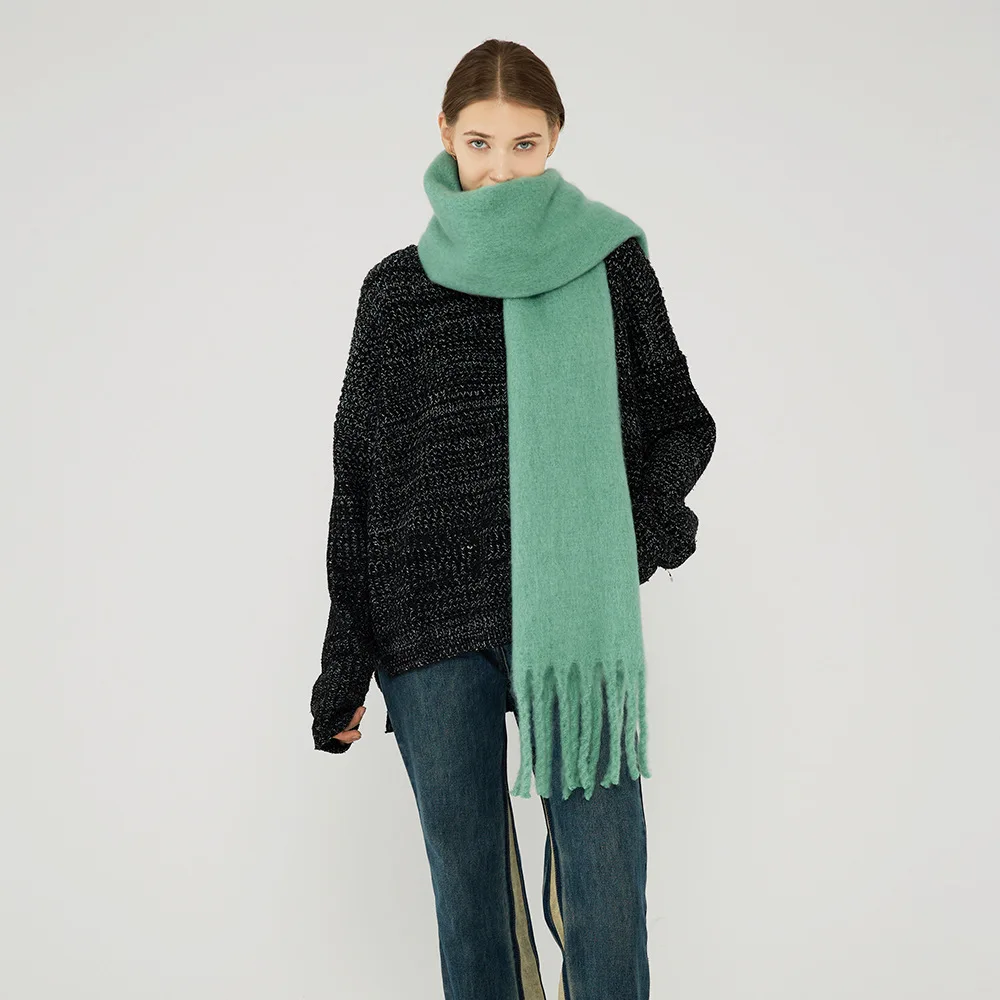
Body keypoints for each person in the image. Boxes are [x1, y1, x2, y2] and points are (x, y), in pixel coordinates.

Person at [310, 38, 717, 1000]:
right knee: (470, 905)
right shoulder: (395, 291)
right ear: (445, 135)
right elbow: (359, 485)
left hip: (573, 626)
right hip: (426, 626)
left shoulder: (608, 265)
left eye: (524, 144)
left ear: (556, 138)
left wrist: (635, 538)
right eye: (480, 142)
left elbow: (681, 422)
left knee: (606, 902)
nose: (500, 167)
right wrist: (343, 666)